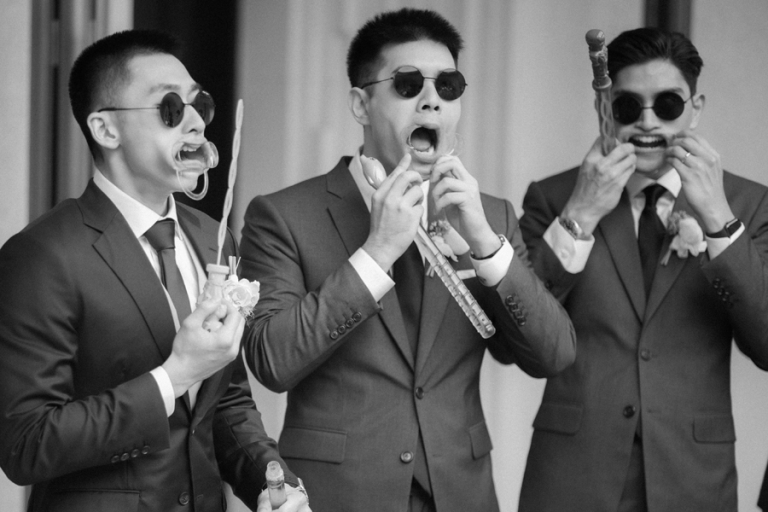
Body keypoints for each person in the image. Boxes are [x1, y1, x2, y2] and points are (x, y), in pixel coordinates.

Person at [239, 7, 576, 512]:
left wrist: (485, 244)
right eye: (408, 84)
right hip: (342, 495)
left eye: (448, 86)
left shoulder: (492, 217)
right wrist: (377, 252)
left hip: (461, 493)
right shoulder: (284, 215)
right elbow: (272, 362)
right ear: (361, 103)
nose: (432, 100)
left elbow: (553, 355)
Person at [0, 30, 309, 512]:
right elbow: (27, 443)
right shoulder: (43, 254)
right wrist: (174, 375)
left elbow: (225, 402)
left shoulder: (213, 238)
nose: (195, 123)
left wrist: (270, 480)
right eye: (170, 108)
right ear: (106, 129)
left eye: (199, 105)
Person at [518, 27, 768, 512]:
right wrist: (580, 215)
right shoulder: (553, 197)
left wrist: (717, 218)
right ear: (606, 107)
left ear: (696, 107)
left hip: (693, 477)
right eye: (629, 106)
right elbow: (520, 342)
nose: (647, 122)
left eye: (667, 105)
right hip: (572, 477)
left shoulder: (748, 204)